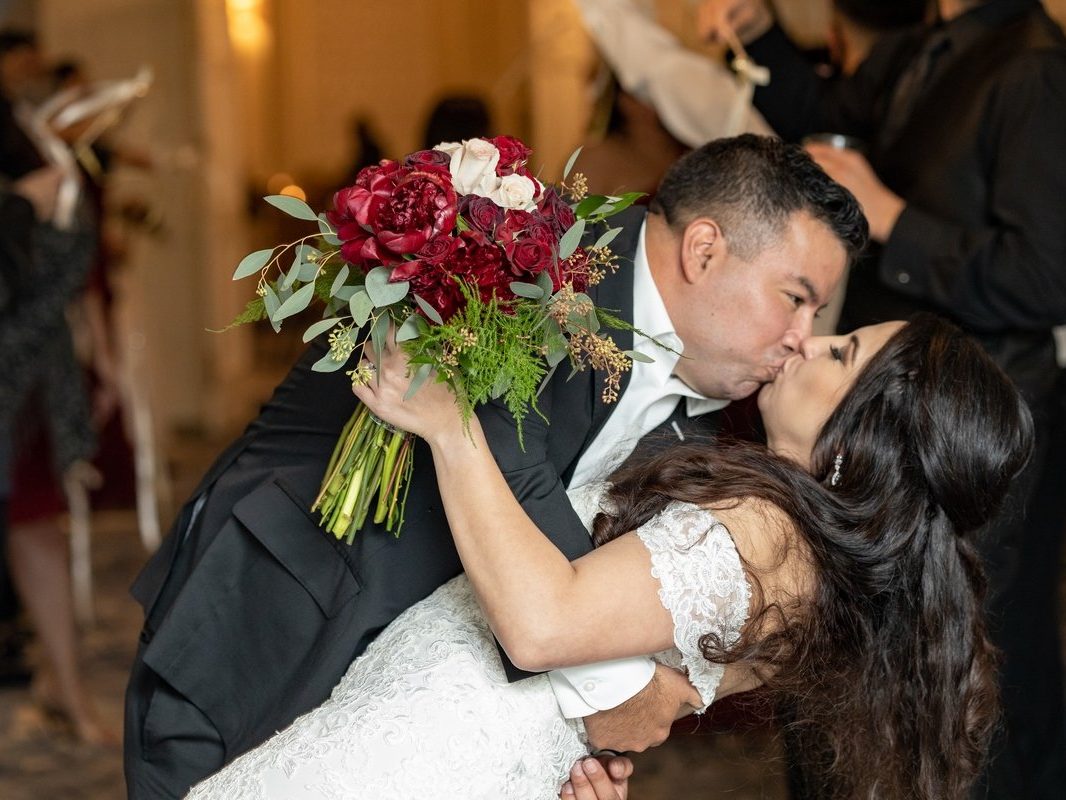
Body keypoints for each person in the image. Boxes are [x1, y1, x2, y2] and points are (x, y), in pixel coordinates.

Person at [123, 134, 866, 799]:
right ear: (703, 251)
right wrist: (620, 684)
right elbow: (510, 466)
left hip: (405, 715)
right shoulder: (521, 255)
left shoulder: (704, 428)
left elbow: (589, 582)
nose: (802, 338)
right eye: (795, 299)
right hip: (272, 621)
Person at [186, 312, 1034, 800]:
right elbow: (640, 686)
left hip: (429, 746)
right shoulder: (818, 566)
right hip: (466, 741)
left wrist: (450, 425)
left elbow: (542, 626)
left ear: (863, 443)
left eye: (841, 353)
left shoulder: (769, 532)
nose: (811, 340)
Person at [698, 1, 1066, 796]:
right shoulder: (927, 45)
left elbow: (1046, 275)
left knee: (959, 673)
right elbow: (828, 123)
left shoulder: (1033, 68)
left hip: (956, 429)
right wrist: (758, 34)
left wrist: (895, 217)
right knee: (843, 657)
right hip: (868, 411)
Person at [0, 28, 114, 747]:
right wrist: (16, 204)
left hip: (35, 377)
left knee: (39, 524)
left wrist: (99, 356)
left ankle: (65, 686)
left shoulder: (36, 142)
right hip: (21, 366)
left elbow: (79, 266)